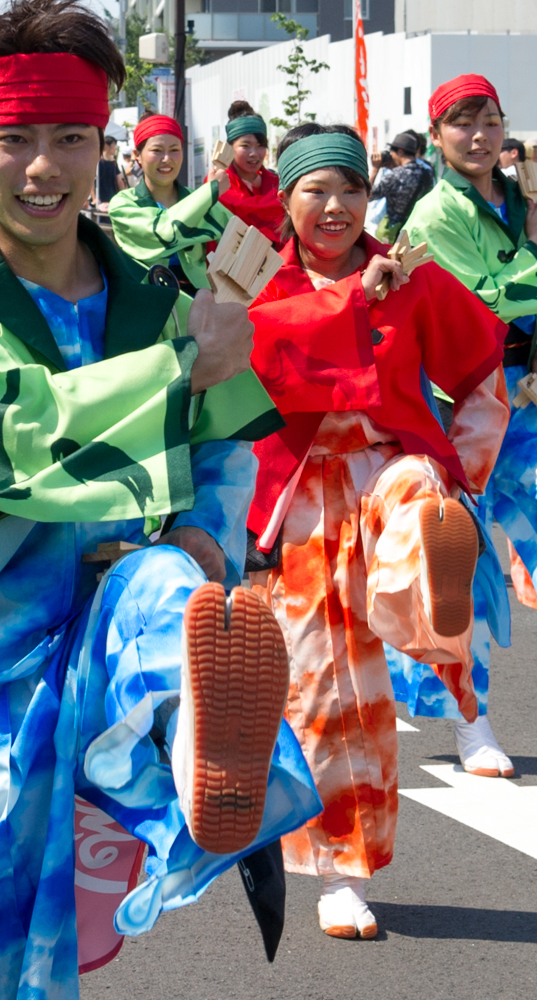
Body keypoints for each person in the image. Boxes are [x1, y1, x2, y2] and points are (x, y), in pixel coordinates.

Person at [0, 2, 321, 995]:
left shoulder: (155, 291)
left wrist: (201, 531)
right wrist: (178, 370)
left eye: (69, 138)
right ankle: (191, 735)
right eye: (12, 139)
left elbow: (227, 439)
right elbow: (11, 436)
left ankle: (199, 739)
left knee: (167, 585)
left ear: (102, 145)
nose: (41, 167)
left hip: (115, 646)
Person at [246, 122, 508, 940]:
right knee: (328, 693)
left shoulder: (416, 275)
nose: (335, 206)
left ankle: (422, 596)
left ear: (371, 194)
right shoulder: (253, 271)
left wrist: (463, 469)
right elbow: (259, 350)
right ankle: (338, 868)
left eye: (352, 189)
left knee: (422, 503)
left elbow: (480, 371)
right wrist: (353, 298)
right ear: (286, 198)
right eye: (316, 190)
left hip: (389, 471)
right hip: (297, 501)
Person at [400, 74, 537, 778]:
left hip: (528, 392)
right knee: (467, 565)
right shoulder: (431, 216)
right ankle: (470, 719)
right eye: (462, 123)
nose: (478, 135)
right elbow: (477, 302)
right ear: (437, 135)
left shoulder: (521, 200)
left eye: (489, 121)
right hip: (468, 404)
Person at [108, 113, 231, 293]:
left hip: (198, 300)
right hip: (146, 300)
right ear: (138, 155)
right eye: (157, 150)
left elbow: (237, 237)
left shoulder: (197, 197)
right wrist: (211, 191)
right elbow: (165, 232)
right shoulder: (122, 204)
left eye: (174, 149)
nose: (167, 159)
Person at [215, 101, 282, 244]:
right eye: (245, 146)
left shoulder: (276, 183)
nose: (254, 153)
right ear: (230, 147)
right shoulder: (218, 182)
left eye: (260, 146)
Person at [369, 130, 433, 241]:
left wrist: (375, 169)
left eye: (392, 153)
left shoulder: (394, 176)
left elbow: (367, 195)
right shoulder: (427, 173)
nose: (391, 156)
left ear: (400, 152)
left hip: (397, 235)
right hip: (419, 233)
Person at [93, 133, 125, 210]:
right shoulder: (97, 163)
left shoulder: (113, 162)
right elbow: (91, 180)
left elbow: (119, 181)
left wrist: (124, 196)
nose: (116, 148)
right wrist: (94, 197)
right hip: (100, 200)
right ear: (106, 146)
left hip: (113, 199)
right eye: (114, 146)